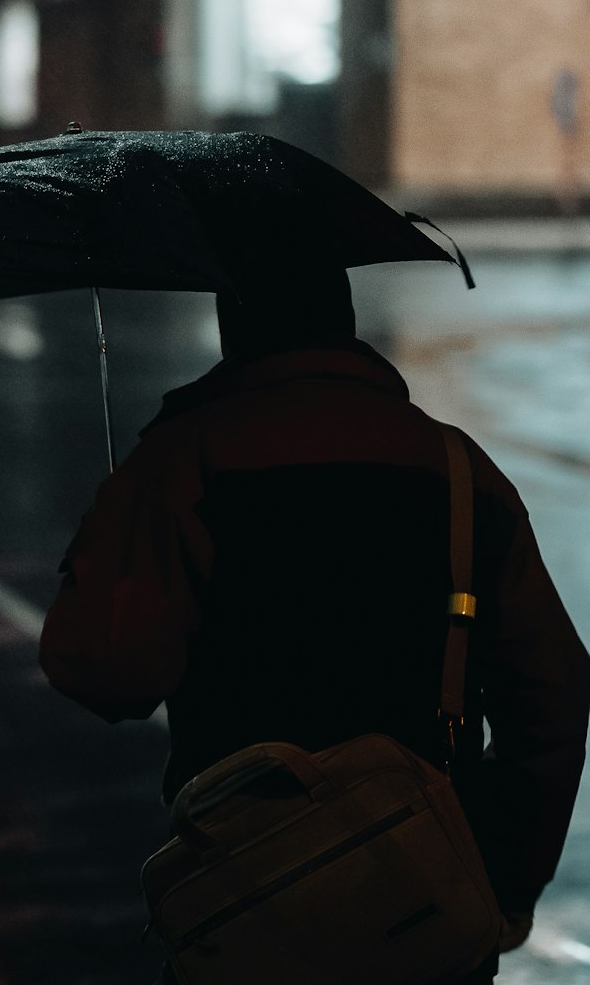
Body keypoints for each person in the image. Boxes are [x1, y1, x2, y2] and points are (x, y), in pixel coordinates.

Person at [39, 264, 590, 983]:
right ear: (347, 326)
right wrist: (506, 881)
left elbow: (107, 673)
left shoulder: (184, 459)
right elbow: (552, 698)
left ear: (232, 330)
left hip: (250, 898)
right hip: (425, 896)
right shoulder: (459, 468)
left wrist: (106, 537)